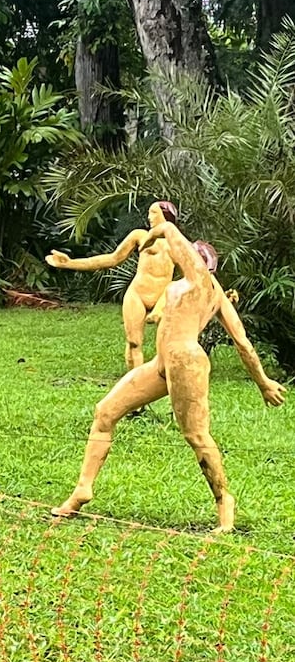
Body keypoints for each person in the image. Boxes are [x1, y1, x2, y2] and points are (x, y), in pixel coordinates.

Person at [51, 221, 285, 532]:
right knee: (105, 411)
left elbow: (243, 342)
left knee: (196, 436)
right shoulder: (185, 286)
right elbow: (238, 340)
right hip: (161, 364)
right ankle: (83, 488)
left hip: (186, 362)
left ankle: (224, 503)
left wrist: (264, 383)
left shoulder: (202, 282)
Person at [46, 201, 179, 369]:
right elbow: (112, 259)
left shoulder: (178, 244)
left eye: (153, 212)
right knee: (133, 342)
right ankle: (135, 380)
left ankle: (164, 376)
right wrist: (70, 263)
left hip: (162, 297)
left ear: (166, 216)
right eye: (149, 212)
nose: (149, 216)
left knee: (167, 342)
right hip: (137, 294)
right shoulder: (139, 236)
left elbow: (196, 271)